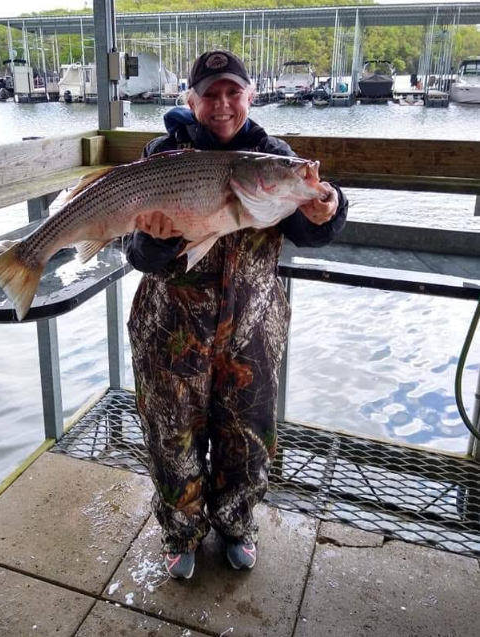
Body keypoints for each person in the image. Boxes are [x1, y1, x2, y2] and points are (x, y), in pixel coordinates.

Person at [125, 50, 348, 580]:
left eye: (233, 92)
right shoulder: (162, 155)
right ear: (191, 101)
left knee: (246, 435)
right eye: (209, 95)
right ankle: (181, 532)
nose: (222, 105)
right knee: (171, 435)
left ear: (250, 96)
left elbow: (311, 227)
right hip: (171, 330)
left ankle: (236, 523)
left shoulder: (274, 158)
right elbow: (138, 256)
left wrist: (331, 204)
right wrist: (158, 240)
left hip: (252, 331)